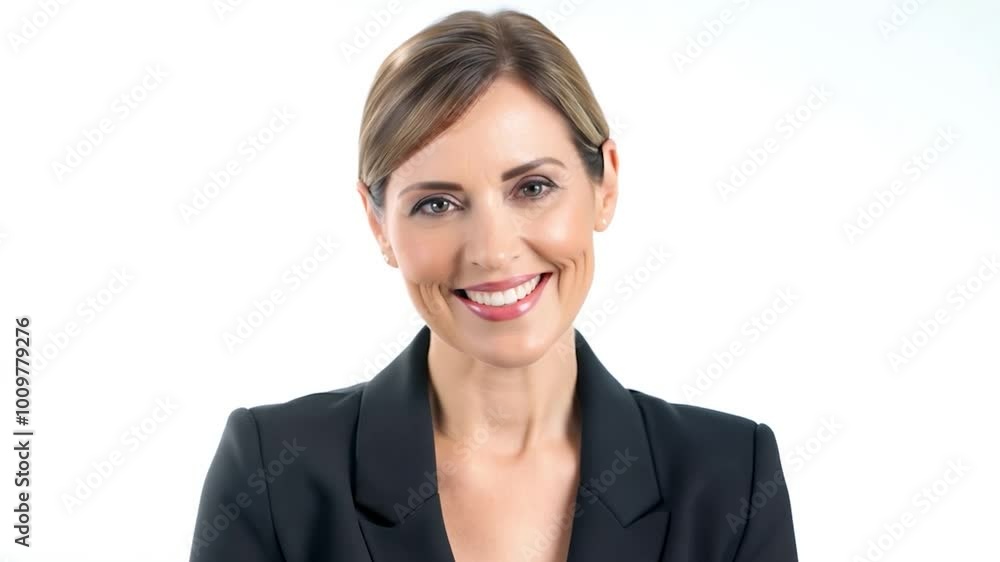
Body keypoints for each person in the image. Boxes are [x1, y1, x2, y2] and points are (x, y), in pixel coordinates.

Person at [189, 9, 798, 561]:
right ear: (378, 224)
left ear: (605, 184)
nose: (493, 250)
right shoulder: (275, 474)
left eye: (532, 188)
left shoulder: (728, 477)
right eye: (436, 204)